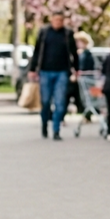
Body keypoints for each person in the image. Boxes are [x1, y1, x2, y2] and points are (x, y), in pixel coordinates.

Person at [29, 12, 79, 140]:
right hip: (45, 71)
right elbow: (37, 51)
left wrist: (76, 69)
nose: (58, 22)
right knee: (45, 102)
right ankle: (45, 124)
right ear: (51, 20)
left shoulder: (67, 34)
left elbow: (74, 52)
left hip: (62, 72)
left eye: (60, 20)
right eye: (56, 20)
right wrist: (32, 69)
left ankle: (56, 130)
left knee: (60, 103)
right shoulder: (44, 32)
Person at [70, 31, 96, 120]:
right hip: (80, 79)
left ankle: (87, 114)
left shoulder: (87, 54)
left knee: (85, 97)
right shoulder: (77, 54)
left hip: (85, 79)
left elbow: (86, 67)